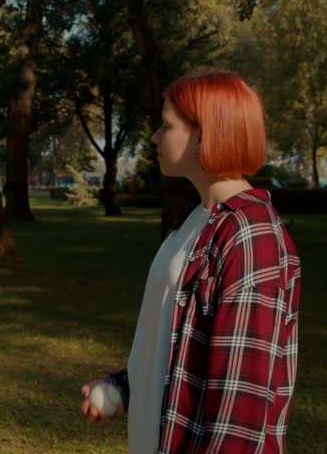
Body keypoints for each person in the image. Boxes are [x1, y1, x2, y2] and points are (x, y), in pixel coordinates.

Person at [81, 71, 301, 453]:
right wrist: (123, 387)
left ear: (204, 135)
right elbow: (172, 339)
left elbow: (239, 410)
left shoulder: (250, 236)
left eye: (166, 126)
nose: (154, 137)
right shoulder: (196, 220)